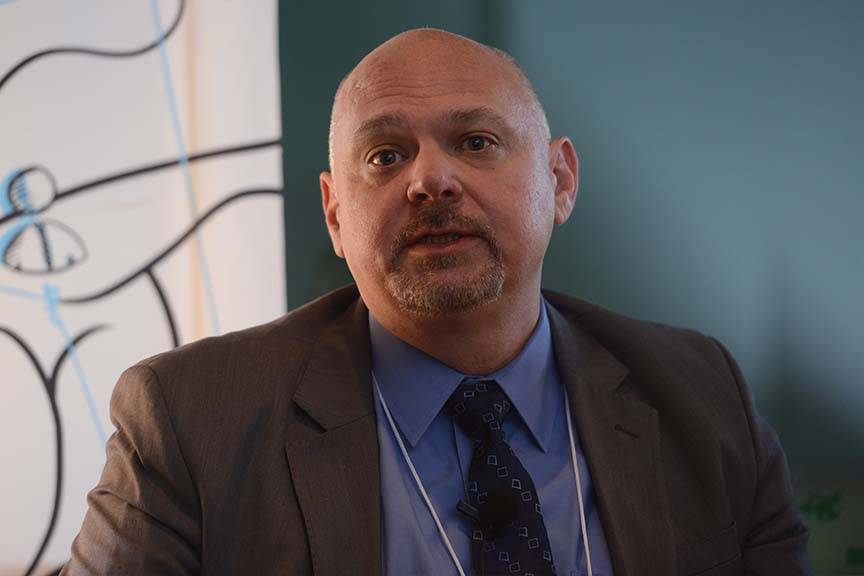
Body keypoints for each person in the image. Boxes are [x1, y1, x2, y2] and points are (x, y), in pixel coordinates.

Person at [63, 29, 812, 575]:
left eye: (477, 142)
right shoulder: (189, 422)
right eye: (385, 156)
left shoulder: (701, 392)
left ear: (559, 181)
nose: (430, 181)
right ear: (334, 215)